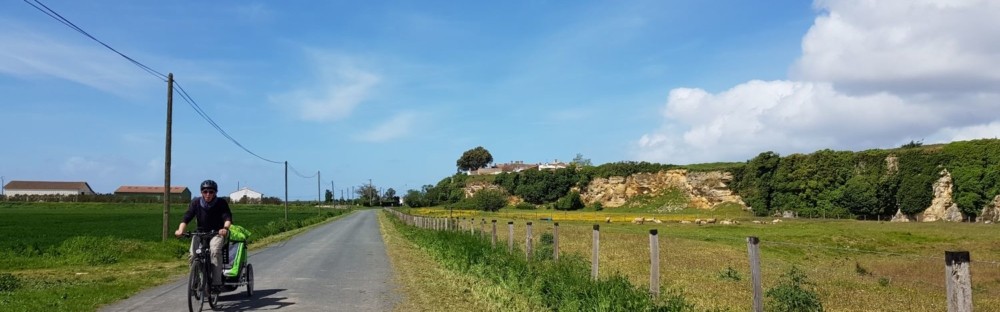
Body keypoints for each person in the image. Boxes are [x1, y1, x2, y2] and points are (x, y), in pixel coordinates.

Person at [175, 179, 233, 287]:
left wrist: (225, 228)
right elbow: (186, 217)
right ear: (201, 192)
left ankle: (216, 283)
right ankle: (196, 279)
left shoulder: (221, 203)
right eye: (205, 191)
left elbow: (227, 217)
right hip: (201, 233)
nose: (208, 194)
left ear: (215, 193)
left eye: (211, 192)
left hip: (217, 232)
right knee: (193, 255)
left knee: (215, 251)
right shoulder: (196, 202)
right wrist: (180, 230)